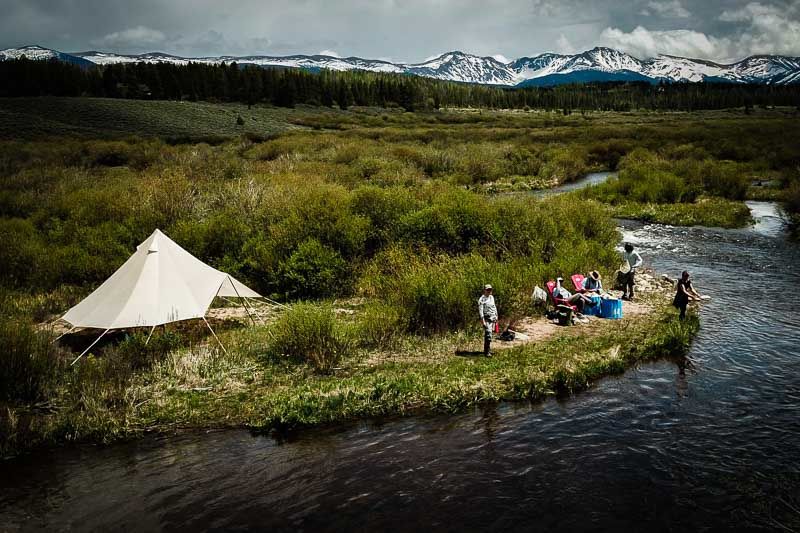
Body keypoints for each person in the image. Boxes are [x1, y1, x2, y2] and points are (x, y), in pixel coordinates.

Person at [478, 284, 498, 358]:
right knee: (488, 334)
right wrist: (483, 321)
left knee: (491, 334)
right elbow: (481, 311)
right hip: (487, 319)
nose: (489, 291)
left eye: (490, 289)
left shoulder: (491, 297)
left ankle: (488, 350)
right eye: (488, 290)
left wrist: (496, 316)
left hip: (493, 318)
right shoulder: (481, 299)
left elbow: (494, 307)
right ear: (484, 290)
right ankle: (487, 352)